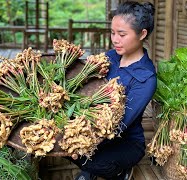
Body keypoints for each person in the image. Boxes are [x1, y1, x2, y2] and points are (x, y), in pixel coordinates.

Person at [68, 1, 157, 180]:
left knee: (90, 159)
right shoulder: (111, 57)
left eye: (122, 34)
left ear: (142, 34)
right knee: (65, 147)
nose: (115, 39)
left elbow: (120, 122)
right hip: (93, 124)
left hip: (124, 139)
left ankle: (120, 172)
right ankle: (91, 167)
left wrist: (82, 135)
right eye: (112, 32)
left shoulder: (146, 78)